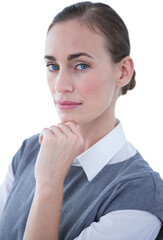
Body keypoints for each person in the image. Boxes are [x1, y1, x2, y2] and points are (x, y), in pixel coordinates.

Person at [0, 1, 163, 240]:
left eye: (81, 65)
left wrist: (49, 185)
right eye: (53, 66)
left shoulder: (139, 193)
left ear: (123, 72)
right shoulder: (29, 151)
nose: (60, 86)